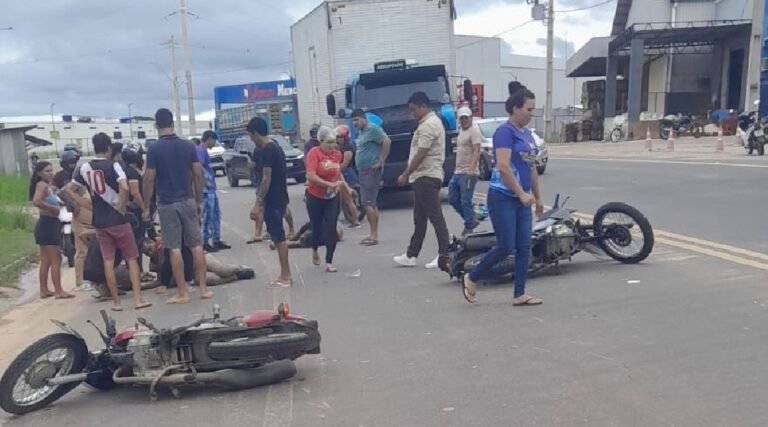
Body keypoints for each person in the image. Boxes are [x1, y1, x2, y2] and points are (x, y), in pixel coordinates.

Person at [461, 82, 544, 306]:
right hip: (504, 197)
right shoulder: (504, 133)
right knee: (506, 245)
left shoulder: (527, 135)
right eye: (528, 109)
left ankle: (519, 293)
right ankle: (472, 276)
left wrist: (537, 198)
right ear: (516, 109)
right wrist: (520, 193)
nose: (531, 114)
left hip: (522, 199)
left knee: (524, 245)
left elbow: (532, 167)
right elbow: (504, 167)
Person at [143, 108, 213, 303]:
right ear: (173, 123)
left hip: (167, 203)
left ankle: (182, 292)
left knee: (174, 247)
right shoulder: (188, 146)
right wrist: (199, 200)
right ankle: (203, 289)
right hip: (188, 200)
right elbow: (198, 174)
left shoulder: (154, 149)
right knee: (196, 245)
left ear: (156, 126)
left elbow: (149, 178)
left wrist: (146, 206)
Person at [76, 133, 151, 311]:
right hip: (118, 220)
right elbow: (125, 187)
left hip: (100, 222)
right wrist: (122, 207)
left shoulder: (85, 167)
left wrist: (86, 204)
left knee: (107, 260)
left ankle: (116, 302)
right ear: (109, 148)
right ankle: (138, 299)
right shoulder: (114, 165)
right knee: (131, 258)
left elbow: (69, 190)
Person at [393, 92, 451, 269]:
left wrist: (405, 173)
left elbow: (421, 153)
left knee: (435, 216)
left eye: (414, 110)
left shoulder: (429, 125)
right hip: (423, 176)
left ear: (423, 106)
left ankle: (445, 253)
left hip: (426, 175)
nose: (413, 114)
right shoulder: (428, 123)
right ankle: (411, 254)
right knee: (420, 217)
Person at [247, 117, 292, 287]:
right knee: (277, 236)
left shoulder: (268, 150)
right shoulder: (276, 147)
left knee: (279, 238)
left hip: (273, 199)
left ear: (256, 134)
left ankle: (285, 275)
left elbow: (266, 178)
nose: (251, 140)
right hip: (280, 197)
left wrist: (258, 202)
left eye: (251, 136)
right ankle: (285, 273)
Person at [29, 161, 73, 300]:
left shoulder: (48, 186)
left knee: (46, 260)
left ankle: (44, 290)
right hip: (48, 224)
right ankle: (59, 290)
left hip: (48, 224)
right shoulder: (42, 185)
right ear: (39, 173)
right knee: (56, 259)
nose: (51, 173)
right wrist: (52, 208)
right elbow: (36, 201)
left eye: (51, 170)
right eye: (47, 171)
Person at [53, 149, 96, 292]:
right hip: (79, 219)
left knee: (93, 251)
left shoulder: (84, 177)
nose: (72, 165)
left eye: (74, 162)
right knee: (82, 251)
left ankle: (93, 278)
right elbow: (60, 192)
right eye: (70, 162)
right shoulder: (65, 178)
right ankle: (80, 281)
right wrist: (73, 205)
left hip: (91, 219)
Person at [305, 126, 343, 273]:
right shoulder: (314, 154)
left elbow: (338, 173)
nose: (331, 146)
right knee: (317, 227)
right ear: (320, 142)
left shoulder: (337, 155)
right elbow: (311, 176)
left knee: (331, 227)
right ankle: (314, 249)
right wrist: (329, 184)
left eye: (334, 142)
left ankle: (329, 261)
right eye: (328, 142)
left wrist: (344, 187)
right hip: (315, 196)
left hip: (332, 196)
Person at [352, 109, 391, 246]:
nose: (354, 123)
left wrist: (381, 160)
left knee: (367, 202)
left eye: (356, 120)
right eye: (353, 121)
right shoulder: (362, 132)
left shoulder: (373, 129)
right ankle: (373, 233)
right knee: (371, 203)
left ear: (363, 118)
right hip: (363, 170)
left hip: (370, 170)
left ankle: (373, 235)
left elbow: (386, 141)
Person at [449, 106, 483, 236]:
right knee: (452, 198)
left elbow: (476, 150)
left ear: (470, 118)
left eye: (466, 118)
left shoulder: (473, 132)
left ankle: (469, 224)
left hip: (469, 172)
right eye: (462, 118)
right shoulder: (461, 131)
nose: (464, 121)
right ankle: (471, 219)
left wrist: (472, 168)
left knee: (465, 200)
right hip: (458, 171)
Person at [121, 148, 153, 282]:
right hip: (134, 210)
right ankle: (138, 272)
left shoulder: (122, 171)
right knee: (137, 242)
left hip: (125, 210)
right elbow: (135, 192)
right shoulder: (132, 173)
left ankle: (133, 272)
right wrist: (144, 208)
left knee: (129, 242)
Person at [197, 130, 230, 252]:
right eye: (214, 141)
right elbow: (199, 168)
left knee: (215, 214)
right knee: (207, 216)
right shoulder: (200, 150)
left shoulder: (203, 150)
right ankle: (205, 241)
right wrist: (206, 183)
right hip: (206, 190)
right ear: (209, 139)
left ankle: (216, 239)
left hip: (210, 189)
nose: (214, 144)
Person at [335, 125, 361, 228]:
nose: (338, 139)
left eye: (340, 137)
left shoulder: (348, 147)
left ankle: (355, 220)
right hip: (343, 173)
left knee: (348, 199)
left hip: (348, 173)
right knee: (342, 200)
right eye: (337, 137)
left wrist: (335, 172)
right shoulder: (339, 147)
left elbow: (345, 163)